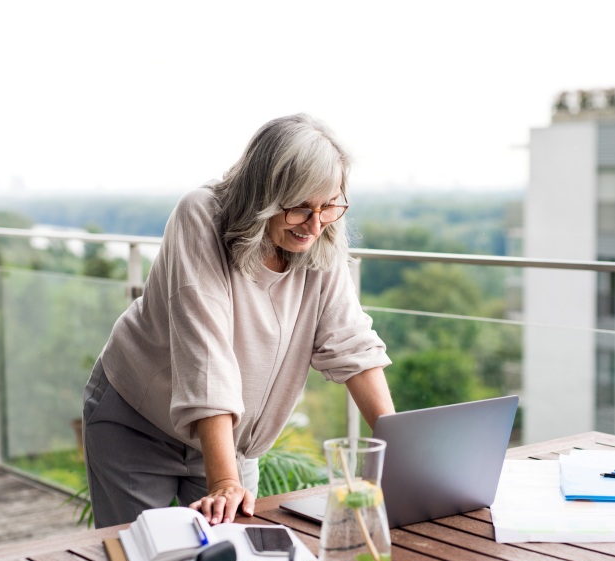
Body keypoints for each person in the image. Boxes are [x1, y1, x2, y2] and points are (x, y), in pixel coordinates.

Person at [82, 113, 394, 529]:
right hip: (138, 424)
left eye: (330, 205)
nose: (316, 224)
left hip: (235, 445)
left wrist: (401, 444)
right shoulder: (202, 216)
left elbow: (351, 342)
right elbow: (205, 352)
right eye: (300, 208)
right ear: (265, 194)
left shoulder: (322, 237)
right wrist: (225, 481)